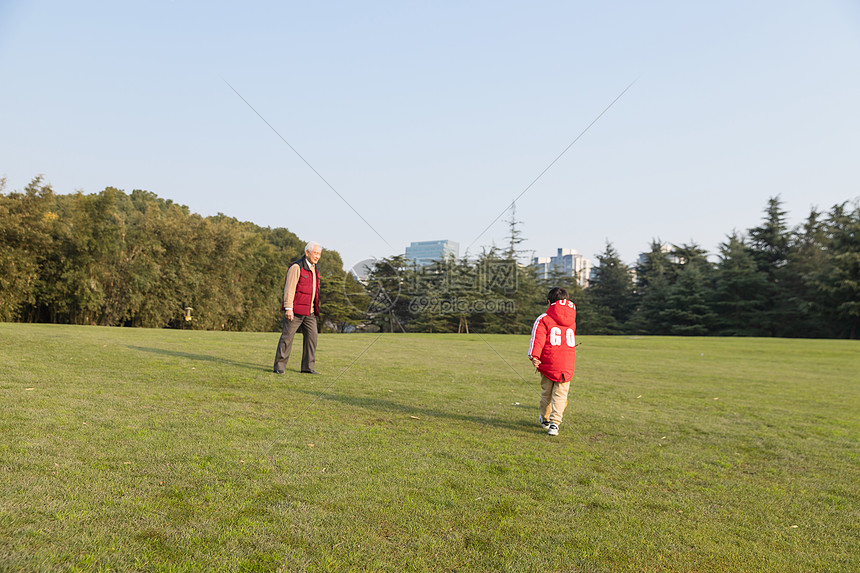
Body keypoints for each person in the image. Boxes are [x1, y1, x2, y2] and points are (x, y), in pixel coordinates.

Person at [527, 287, 577, 436]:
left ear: (549, 302)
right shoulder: (572, 320)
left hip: (549, 362)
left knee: (546, 393)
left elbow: (538, 338)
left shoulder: (544, 318)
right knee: (560, 395)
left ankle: (545, 418)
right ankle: (555, 424)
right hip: (567, 363)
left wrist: (534, 356)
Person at [273, 241, 322, 374]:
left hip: (310, 312)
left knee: (312, 338)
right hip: (295, 312)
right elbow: (289, 288)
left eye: (319, 254)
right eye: (315, 253)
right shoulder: (296, 267)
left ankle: (308, 368)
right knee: (287, 338)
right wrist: (289, 308)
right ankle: (279, 367)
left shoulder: (315, 269)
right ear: (307, 253)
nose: (317, 256)